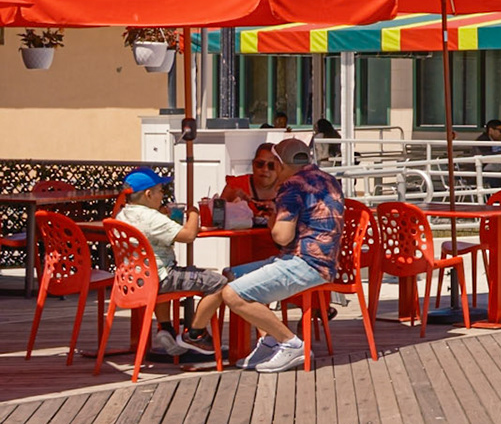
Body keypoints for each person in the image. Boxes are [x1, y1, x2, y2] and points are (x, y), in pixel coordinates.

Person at [188, 138, 343, 374]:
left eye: (272, 164)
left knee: (232, 293)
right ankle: (270, 341)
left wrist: (276, 217)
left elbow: (281, 236)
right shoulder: (328, 179)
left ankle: (291, 344)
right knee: (229, 276)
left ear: (280, 164)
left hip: (305, 263)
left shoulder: (292, 186)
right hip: (324, 262)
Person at [112, 168, 222, 362]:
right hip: (160, 278)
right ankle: (195, 334)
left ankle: (166, 328)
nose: (163, 196)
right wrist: (194, 213)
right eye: (161, 191)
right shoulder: (151, 218)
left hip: (134, 279)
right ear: (148, 194)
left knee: (164, 269)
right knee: (219, 283)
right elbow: (188, 235)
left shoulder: (122, 215)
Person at [221, 143, 283, 227]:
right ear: (253, 164)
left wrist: (277, 213)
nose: (265, 169)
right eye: (260, 164)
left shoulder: (287, 188)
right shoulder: (236, 185)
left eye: (271, 166)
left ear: (279, 167)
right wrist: (230, 205)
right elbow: (216, 219)